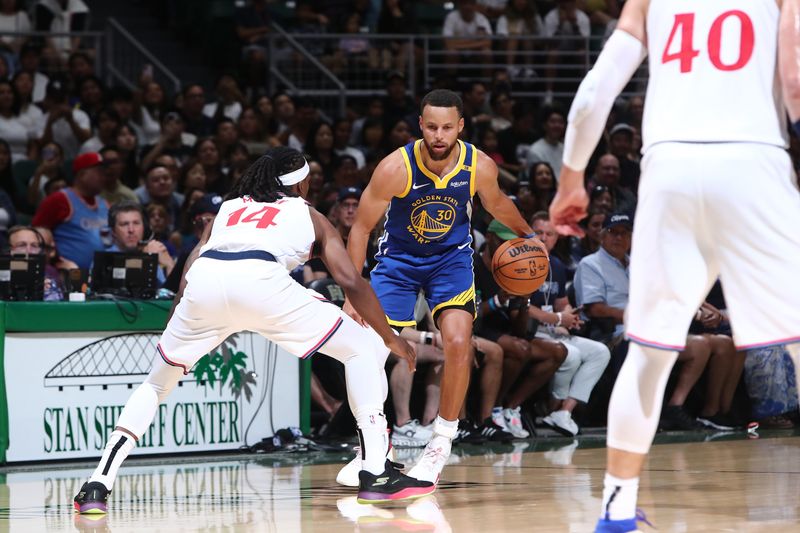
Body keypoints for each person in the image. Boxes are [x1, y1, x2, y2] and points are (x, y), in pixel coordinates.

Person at [549, 0, 800, 529]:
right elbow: (795, 78)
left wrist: (571, 177)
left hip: (669, 170)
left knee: (650, 351)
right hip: (753, 159)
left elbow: (596, 90)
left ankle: (616, 510)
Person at [73, 147, 433, 514]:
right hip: (262, 284)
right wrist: (390, 337)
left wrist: (177, 318)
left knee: (155, 384)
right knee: (362, 347)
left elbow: (193, 260)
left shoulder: (228, 208)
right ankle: (375, 470)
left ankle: (97, 484)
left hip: (205, 286)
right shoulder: (308, 214)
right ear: (302, 183)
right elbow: (350, 281)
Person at [344, 89, 536, 484]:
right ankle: (373, 444)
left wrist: (528, 235)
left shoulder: (478, 165)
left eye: (447, 127)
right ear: (420, 125)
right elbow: (361, 228)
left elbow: (497, 204)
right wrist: (351, 291)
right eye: (431, 126)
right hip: (397, 263)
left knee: (459, 342)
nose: (438, 135)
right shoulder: (394, 168)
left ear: (461, 126)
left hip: (449, 261)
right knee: (368, 354)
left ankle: (440, 442)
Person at [31, 152, 108, 272]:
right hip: (67, 276)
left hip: (101, 276)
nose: (104, 176)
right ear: (82, 174)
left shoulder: (105, 204)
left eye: (104, 172)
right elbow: (36, 234)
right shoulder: (59, 200)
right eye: (99, 171)